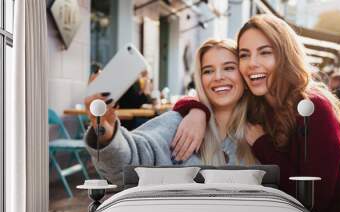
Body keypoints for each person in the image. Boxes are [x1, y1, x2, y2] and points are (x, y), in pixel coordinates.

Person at [171, 14, 340, 212]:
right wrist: (197, 111)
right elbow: (217, 98)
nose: (252, 63)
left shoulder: (313, 108)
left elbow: (312, 201)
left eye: (265, 52)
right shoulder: (259, 105)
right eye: (244, 55)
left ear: (285, 56)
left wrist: (263, 145)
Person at [84, 39, 256, 185]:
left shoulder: (261, 131)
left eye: (229, 67)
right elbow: (130, 164)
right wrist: (107, 134)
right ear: (200, 79)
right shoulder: (177, 123)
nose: (218, 76)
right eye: (208, 70)